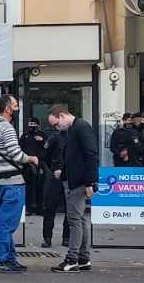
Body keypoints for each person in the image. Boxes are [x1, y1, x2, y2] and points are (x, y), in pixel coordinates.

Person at [0, 94, 38, 273]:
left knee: (6, 222)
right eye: (14, 105)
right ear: (7, 108)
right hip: (12, 182)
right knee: (8, 224)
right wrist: (31, 159)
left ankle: (10, 258)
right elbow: (16, 154)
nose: (17, 107)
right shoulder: (5, 127)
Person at [48, 106, 99, 273]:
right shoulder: (74, 129)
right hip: (75, 179)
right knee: (80, 219)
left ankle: (72, 259)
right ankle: (83, 258)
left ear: (62, 116)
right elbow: (76, 157)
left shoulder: (80, 127)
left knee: (74, 220)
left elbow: (91, 154)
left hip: (78, 182)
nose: (56, 128)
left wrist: (91, 181)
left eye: (56, 124)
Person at [40, 127, 70, 248]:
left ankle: (67, 237)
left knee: (70, 209)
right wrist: (52, 169)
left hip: (69, 176)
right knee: (49, 208)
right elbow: (45, 156)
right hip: (55, 176)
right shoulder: (54, 137)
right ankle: (47, 238)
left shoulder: (74, 137)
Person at [19, 117, 47, 215]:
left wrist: (42, 140)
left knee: (40, 187)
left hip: (40, 164)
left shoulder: (42, 135)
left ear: (37, 125)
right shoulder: (24, 136)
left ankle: (40, 208)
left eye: (33, 124)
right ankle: (29, 208)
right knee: (29, 188)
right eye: (30, 124)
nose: (31, 126)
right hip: (27, 165)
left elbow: (46, 148)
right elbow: (20, 149)